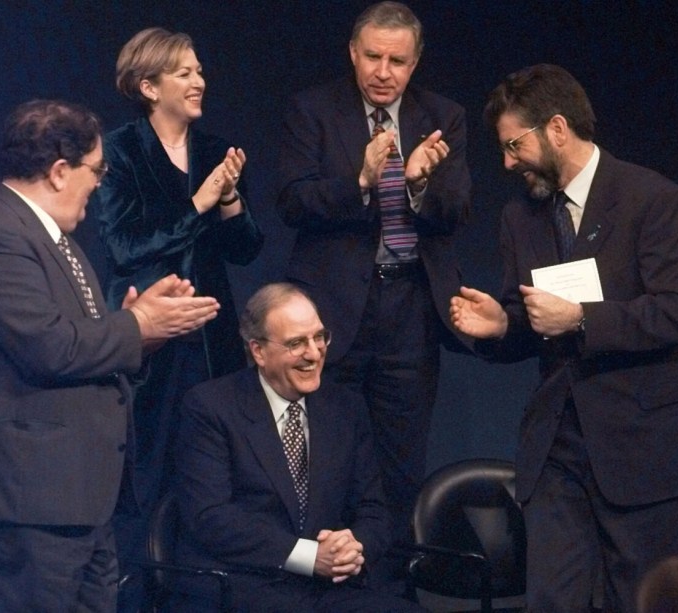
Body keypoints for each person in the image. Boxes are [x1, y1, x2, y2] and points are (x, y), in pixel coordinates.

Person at [0, 99, 219, 611]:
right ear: (58, 171)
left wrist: (140, 334)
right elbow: (51, 348)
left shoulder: (56, 241)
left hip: (77, 500)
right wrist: (135, 325)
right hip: (31, 502)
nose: (98, 184)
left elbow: (79, 345)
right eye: (97, 170)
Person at [450, 63, 678, 612]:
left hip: (642, 448)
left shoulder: (653, 201)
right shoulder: (521, 217)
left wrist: (582, 319)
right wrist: (502, 325)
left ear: (557, 128)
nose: (507, 162)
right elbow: (532, 322)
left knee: (638, 602)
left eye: (515, 145)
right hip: (559, 448)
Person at [276, 1, 471, 569]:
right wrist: (359, 180)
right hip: (333, 313)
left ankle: (387, 586)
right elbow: (291, 201)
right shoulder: (312, 110)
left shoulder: (443, 115)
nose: (384, 72)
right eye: (373, 57)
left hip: (410, 307)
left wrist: (416, 187)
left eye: (398, 61)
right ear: (353, 54)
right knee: (325, 454)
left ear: (415, 63)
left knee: (401, 463)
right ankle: (323, 577)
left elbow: (456, 210)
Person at [92, 27, 264, 603]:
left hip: (213, 343)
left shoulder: (214, 150)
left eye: (199, 70)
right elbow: (124, 248)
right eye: (184, 72)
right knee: (149, 483)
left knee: (212, 483)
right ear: (148, 86)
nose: (200, 81)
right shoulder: (119, 151)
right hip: (152, 346)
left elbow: (244, 249)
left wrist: (232, 198)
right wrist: (199, 204)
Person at [170, 283, 425, 612]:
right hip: (244, 585)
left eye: (320, 337)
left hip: (327, 589)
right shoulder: (211, 407)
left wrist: (353, 545)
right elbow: (211, 517)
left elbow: (374, 511)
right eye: (296, 343)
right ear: (258, 351)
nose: (314, 353)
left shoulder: (345, 408)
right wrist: (308, 556)